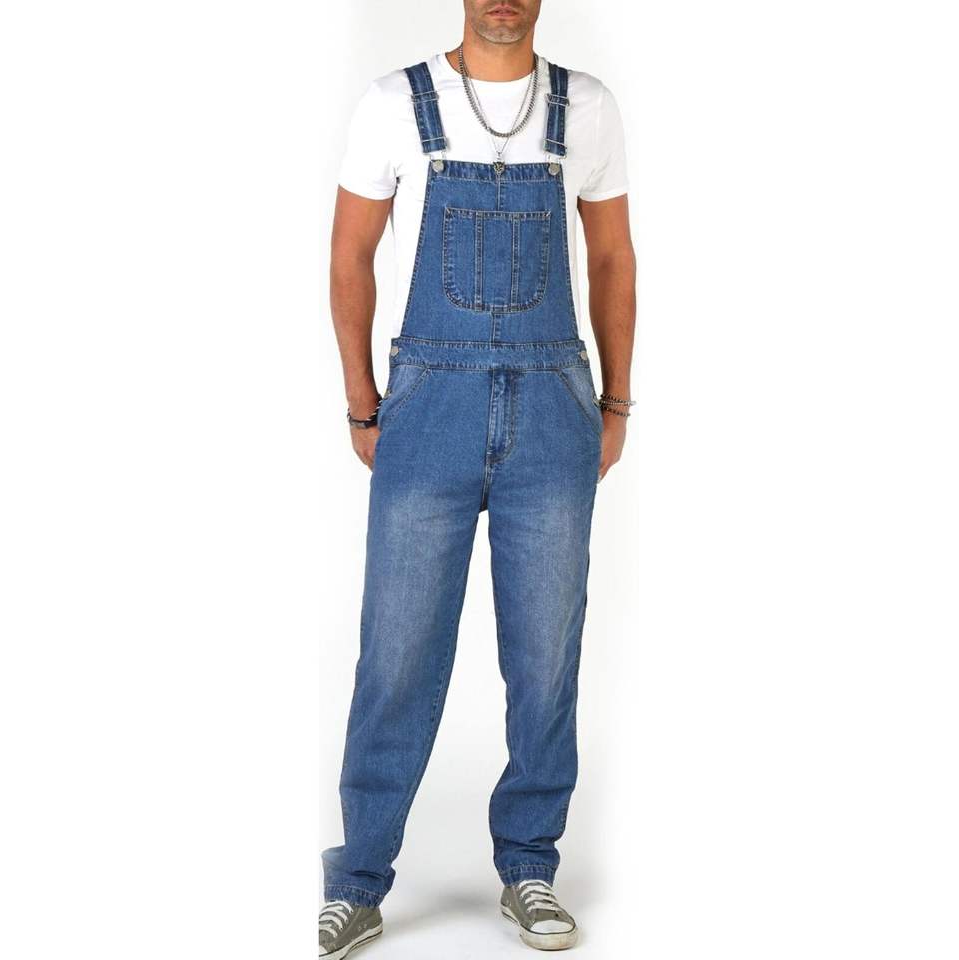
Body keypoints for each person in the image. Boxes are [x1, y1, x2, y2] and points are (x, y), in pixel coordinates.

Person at [321, 1, 635, 954]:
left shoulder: (586, 107)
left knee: (546, 656)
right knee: (397, 650)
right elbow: (350, 253)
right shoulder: (394, 102)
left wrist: (616, 403)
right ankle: (359, 878)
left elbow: (613, 257)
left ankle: (529, 867)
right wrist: (363, 402)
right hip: (430, 409)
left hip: (552, 412)